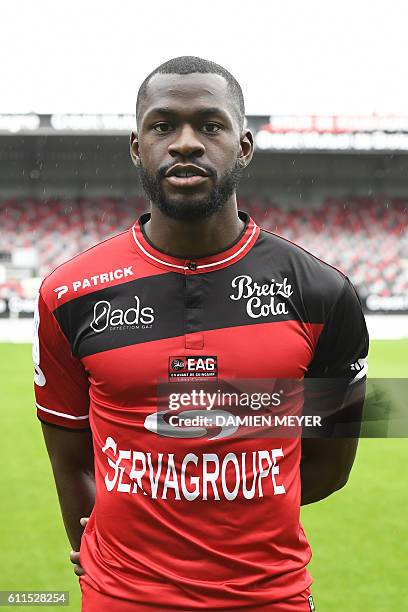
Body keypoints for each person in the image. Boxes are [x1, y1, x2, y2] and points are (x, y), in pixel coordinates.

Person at [34, 56, 369, 611]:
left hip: (269, 599)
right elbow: (69, 459)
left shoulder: (326, 292)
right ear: (137, 147)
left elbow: (331, 466)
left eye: (210, 125)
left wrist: (224, 514)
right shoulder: (68, 292)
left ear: (244, 146)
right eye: (163, 125)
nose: (185, 142)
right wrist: (106, 547)